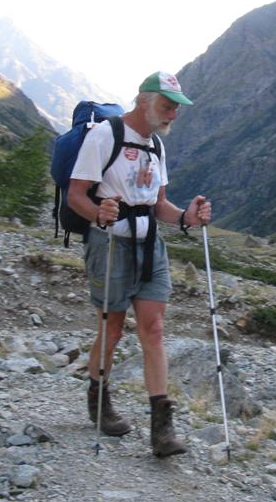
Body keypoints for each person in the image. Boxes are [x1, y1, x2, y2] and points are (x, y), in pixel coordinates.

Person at [67, 71, 212, 457]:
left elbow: (158, 204)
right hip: (109, 243)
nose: (173, 115)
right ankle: (99, 401)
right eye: (167, 106)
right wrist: (100, 213)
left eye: (176, 108)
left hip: (150, 245)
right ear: (144, 100)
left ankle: (161, 429)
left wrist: (187, 218)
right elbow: (76, 195)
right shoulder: (105, 136)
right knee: (112, 328)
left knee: (155, 328)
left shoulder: (157, 146)